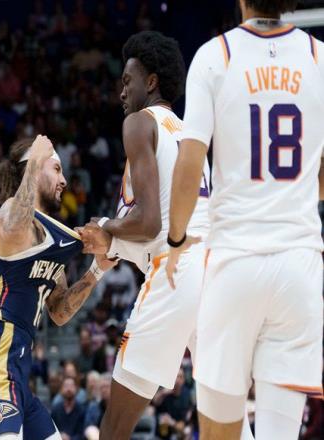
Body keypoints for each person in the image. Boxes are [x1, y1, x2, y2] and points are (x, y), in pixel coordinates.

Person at [166, 1, 324, 439]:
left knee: (219, 432)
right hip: (299, 267)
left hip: (235, 261)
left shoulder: (216, 55)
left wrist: (176, 240)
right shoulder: (319, 58)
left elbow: (190, 165)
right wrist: (290, 187)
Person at [77, 31, 210, 439]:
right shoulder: (189, 133)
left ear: (150, 82)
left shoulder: (139, 123)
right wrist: (114, 240)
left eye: (127, 80)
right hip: (214, 274)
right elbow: (163, 223)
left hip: (174, 273)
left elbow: (150, 223)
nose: (121, 92)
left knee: (114, 426)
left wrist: (105, 225)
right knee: (226, 421)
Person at [0, 135, 116, 440]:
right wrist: (35, 158)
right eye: (56, 169)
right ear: (32, 169)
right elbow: (13, 225)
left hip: (20, 370)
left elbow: (59, 312)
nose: (63, 181)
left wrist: (97, 269)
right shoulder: (12, 215)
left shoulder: (49, 241)